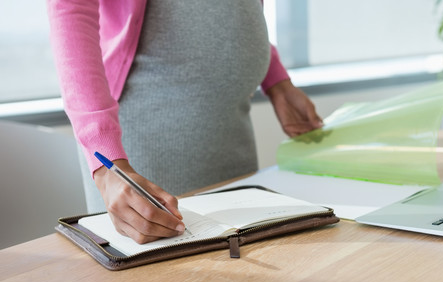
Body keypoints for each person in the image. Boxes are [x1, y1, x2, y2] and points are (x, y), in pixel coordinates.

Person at [47, 0, 323, 244]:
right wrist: (106, 160)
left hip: (231, 126)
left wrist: (277, 81)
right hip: (146, 136)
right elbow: (70, 8)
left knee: (245, 270)